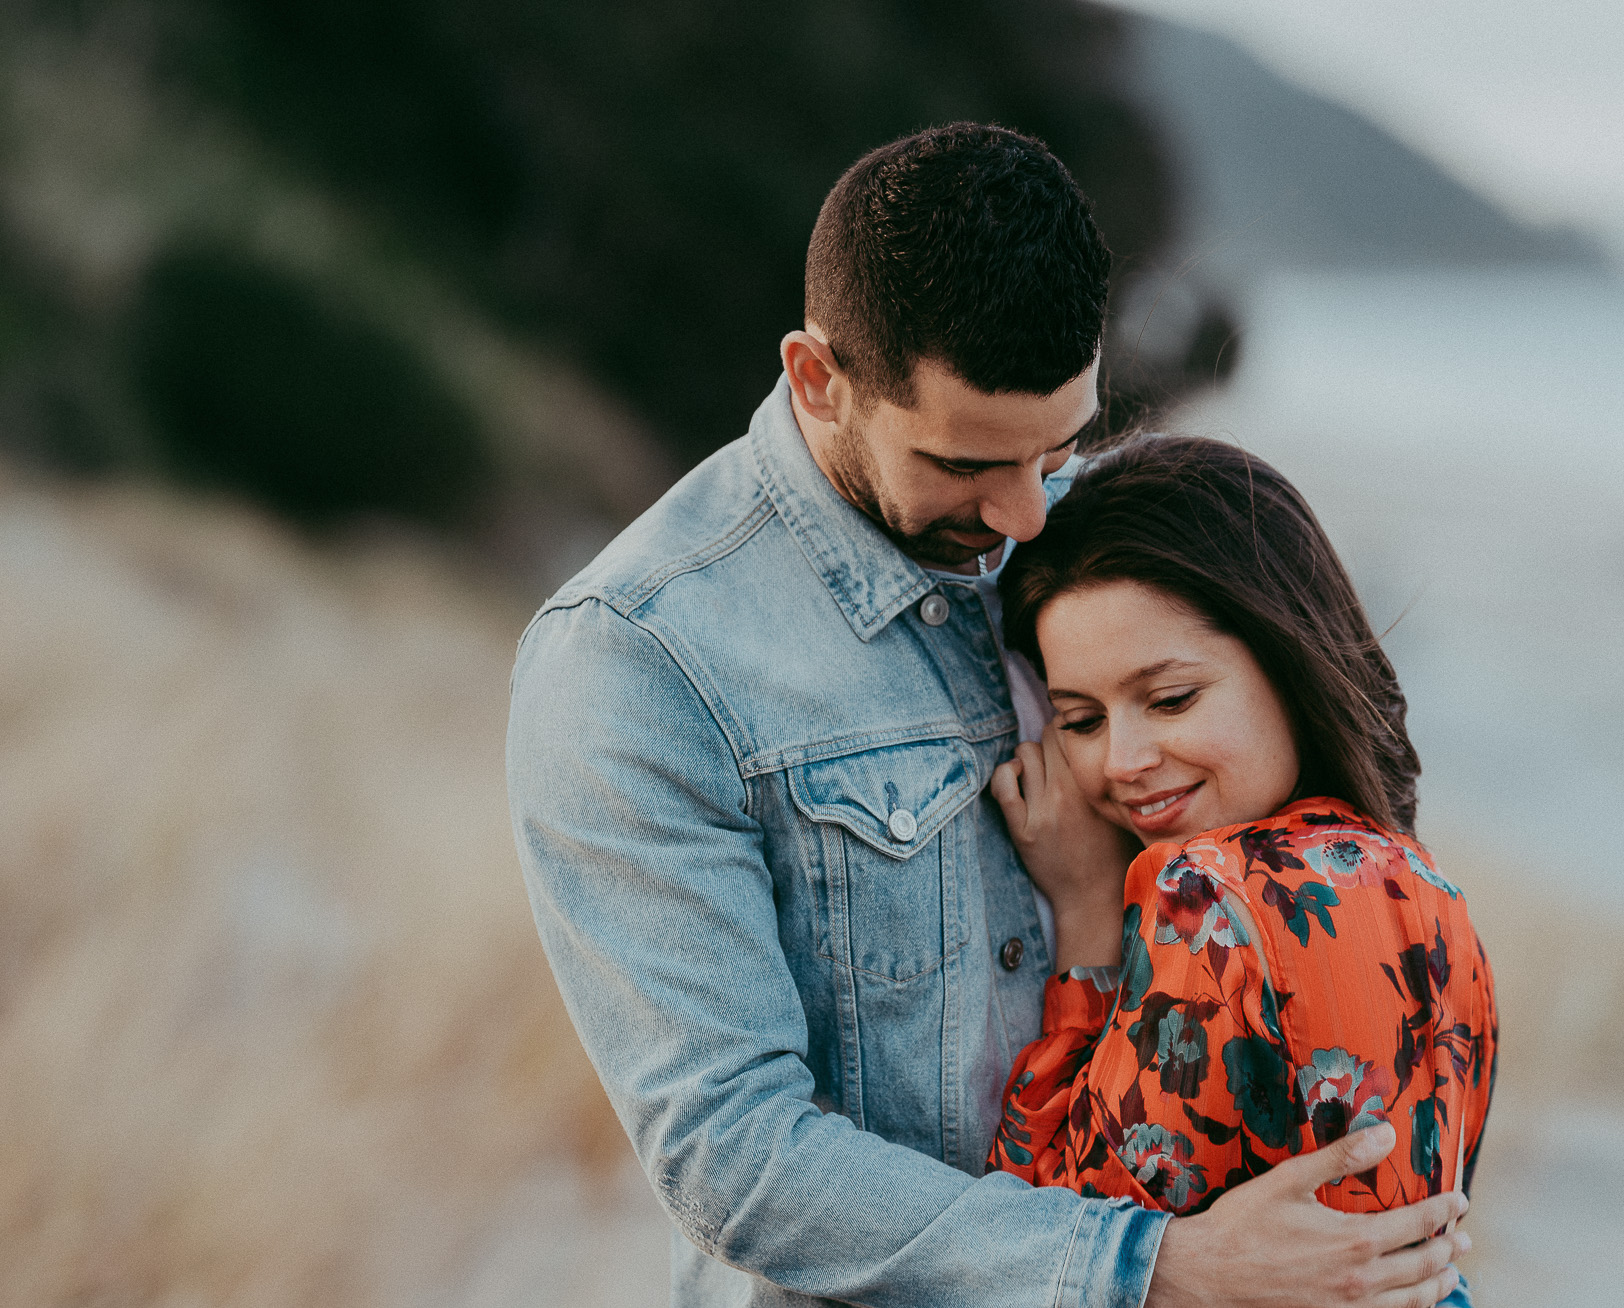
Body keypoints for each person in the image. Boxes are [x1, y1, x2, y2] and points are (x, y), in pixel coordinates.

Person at [505, 123, 1470, 1308]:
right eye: (965, 464)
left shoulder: (1087, 541)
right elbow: (729, 1157)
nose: (1024, 515)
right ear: (818, 379)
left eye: (1060, 447)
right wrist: (1153, 1269)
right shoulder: (638, 657)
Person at [985, 437, 1494, 1305]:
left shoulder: (1207, 892)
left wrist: (1082, 911)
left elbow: (1049, 1247)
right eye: (1079, 719)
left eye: (1171, 698)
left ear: (1286, 654)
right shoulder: (1430, 890)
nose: (1124, 760)